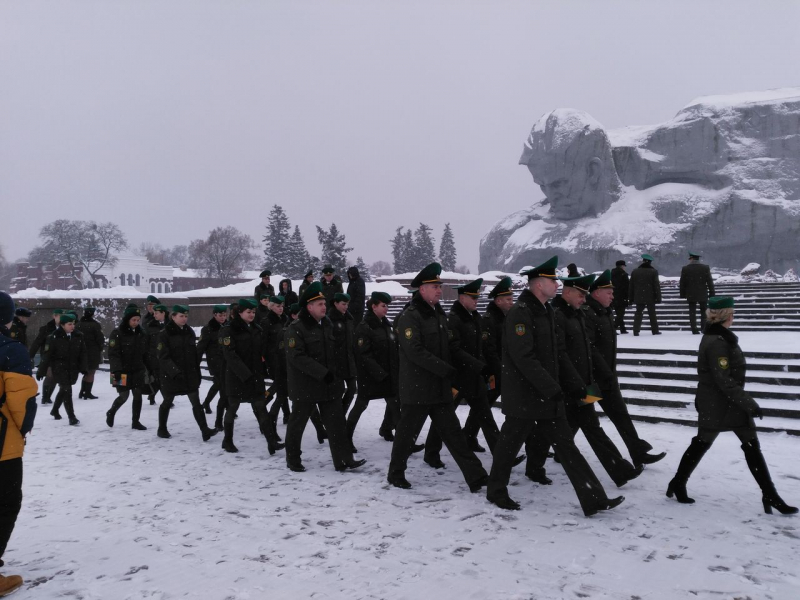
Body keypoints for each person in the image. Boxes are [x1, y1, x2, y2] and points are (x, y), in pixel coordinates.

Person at [485, 256, 623, 516]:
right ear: (539, 284)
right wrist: (552, 387)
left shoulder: (546, 310)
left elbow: (559, 353)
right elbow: (524, 358)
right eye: (553, 281)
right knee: (508, 445)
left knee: (567, 446)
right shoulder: (521, 313)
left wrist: (577, 386)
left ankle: (594, 498)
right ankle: (496, 490)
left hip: (548, 395)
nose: (557, 284)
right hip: (525, 395)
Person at [667, 296, 797, 514]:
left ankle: (770, 495)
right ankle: (678, 482)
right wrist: (749, 403)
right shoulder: (717, 342)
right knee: (702, 443)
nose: (734, 317)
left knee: (751, 445)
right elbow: (723, 379)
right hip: (717, 404)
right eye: (732, 313)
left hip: (729, 403)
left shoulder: (719, 337)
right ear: (726, 315)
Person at [534, 273, 643, 488]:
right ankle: (534, 465)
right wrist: (576, 382)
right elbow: (561, 354)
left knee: (590, 425)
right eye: (581, 295)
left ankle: (620, 470)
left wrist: (600, 375)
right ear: (567, 292)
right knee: (555, 429)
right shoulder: (558, 315)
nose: (584, 299)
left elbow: (588, 350)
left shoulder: (577, 314)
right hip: (569, 385)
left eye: (585, 295)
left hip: (586, 383)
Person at [387, 262, 488, 492]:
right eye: (435, 286)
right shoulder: (411, 317)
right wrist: (445, 369)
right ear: (422, 289)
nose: (439, 290)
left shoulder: (438, 314)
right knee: (406, 435)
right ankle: (395, 473)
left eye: (440, 286)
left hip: (439, 389)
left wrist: (470, 366)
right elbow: (415, 351)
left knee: (454, 435)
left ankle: (476, 476)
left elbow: (449, 347)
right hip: (417, 388)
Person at [424, 278, 510, 468]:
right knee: (444, 418)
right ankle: (431, 453)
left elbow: (480, 348)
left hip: (474, 378)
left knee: (486, 418)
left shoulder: (474, 317)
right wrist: (479, 365)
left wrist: (484, 368)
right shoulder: (454, 319)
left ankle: (502, 456)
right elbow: (454, 349)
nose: (476, 301)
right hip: (457, 378)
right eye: (473, 298)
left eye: (477, 298)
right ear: (462, 298)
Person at [584, 270, 666, 467]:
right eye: (609, 293)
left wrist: (609, 374)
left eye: (613, 293)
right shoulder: (588, 314)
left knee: (621, 416)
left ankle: (638, 452)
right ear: (596, 293)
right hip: (592, 382)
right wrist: (604, 372)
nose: (612, 296)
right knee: (580, 418)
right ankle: (553, 450)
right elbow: (589, 349)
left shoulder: (605, 312)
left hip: (607, 378)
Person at [284, 282, 366, 472]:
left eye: (324, 303)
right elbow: (297, 357)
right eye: (320, 304)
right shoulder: (296, 328)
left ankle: (344, 460)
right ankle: (293, 459)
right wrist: (323, 373)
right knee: (297, 424)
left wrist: (339, 375)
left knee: (336, 424)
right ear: (309, 307)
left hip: (329, 385)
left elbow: (335, 353)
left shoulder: (327, 325)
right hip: (305, 386)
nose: (324, 307)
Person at [0, 292, 38, 596]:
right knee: (6, 503)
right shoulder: (10, 350)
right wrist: (24, 430)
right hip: (2, 445)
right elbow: (21, 404)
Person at [218, 299, 285, 455]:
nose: (252, 315)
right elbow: (230, 355)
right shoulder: (229, 330)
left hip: (255, 376)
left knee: (261, 408)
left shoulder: (256, 329)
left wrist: (267, 368)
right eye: (248, 312)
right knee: (232, 407)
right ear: (239, 313)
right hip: (236, 377)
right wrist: (245, 374)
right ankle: (227, 440)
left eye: (253, 312)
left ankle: (271, 442)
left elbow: (262, 352)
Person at [462, 276, 514, 447]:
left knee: (484, 407)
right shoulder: (489, 320)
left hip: (502, 371)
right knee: (485, 407)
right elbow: (489, 350)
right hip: (494, 372)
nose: (511, 302)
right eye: (508, 299)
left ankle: (468, 436)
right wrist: (500, 371)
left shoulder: (504, 318)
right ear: (498, 301)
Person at [348, 291, 402, 450]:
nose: (386, 309)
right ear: (374, 307)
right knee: (360, 406)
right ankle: (345, 438)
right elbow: (363, 355)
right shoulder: (364, 327)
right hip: (370, 378)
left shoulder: (386, 325)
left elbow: (393, 350)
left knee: (395, 407)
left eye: (387, 306)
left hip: (387, 376)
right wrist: (380, 374)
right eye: (383, 306)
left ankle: (404, 442)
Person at [155, 305, 218, 442]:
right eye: (181, 316)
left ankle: (204, 430)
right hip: (171, 375)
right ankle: (162, 428)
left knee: (196, 402)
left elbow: (193, 353)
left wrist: (195, 370)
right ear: (173, 317)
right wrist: (174, 372)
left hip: (189, 374)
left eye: (186, 316)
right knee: (167, 401)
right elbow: (163, 357)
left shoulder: (188, 331)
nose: (184, 319)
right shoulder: (164, 334)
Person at [38, 312, 87, 426]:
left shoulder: (78, 336)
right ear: (62, 325)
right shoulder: (53, 337)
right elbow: (47, 355)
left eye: (73, 324)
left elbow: (83, 353)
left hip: (72, 368)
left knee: (64, 390)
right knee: (67, 390)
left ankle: (55, 410)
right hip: (59, 368)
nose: (72, 326)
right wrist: (41, 371)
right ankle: (72, 417)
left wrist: (84, 367)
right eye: (69, 324)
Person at [105, 306, 148, 430]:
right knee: (124, 396)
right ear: (127, 319)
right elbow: (113, 354)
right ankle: (111, 412)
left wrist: (149, 367)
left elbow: (145, 353)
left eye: (138, 320)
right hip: (120, 371)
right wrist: (116, 370)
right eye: (133, 320)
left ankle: (136, 421)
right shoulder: (117, 333)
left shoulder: (141, 333)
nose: (136, 323)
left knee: (138, 395)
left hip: (137, 370)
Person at [263, 296, 291, 428]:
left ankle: (286, 414)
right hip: (273, 360)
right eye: (278, 306)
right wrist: (266, 361)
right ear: (271, 307)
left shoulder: (285, 319)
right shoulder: (267, 321)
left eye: (282, 306)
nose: (281, 308)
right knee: (280, 386)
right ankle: (264, 404)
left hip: (285, 358)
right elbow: (263, 343)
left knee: (281, 388)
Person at [328, 293, 358, 416]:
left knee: (352, 389)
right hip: (337, 362)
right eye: (343, 304)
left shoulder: (349, 319)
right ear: (336, 304)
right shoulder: (330, 320)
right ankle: (337, 417)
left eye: (347, 304)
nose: (346, 307)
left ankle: (341, 414)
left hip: (349, 361)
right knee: (338, 391)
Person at [197, 305, 227, 415]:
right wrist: (196, 362)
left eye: (224, 315)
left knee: (220, 384)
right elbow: (201, 347)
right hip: (215, 361)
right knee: (221, 383)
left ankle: (207, 403)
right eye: (220, 315)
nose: (223, 317)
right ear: (215, 315)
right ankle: (226, 406)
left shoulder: (228, 326)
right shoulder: (208, 329)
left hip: (226, 360)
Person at [29, 308, 62, 405]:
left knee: (55, 377)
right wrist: (30, 355)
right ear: (54, 316)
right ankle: (45, 397)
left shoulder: (64, 328)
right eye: (59, 317)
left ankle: (48, 396)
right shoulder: (46, 328)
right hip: (48, 356)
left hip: (59, 356)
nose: (60, 319)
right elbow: (37, 342)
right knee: (49, 375)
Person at [680, 251, 716, 334]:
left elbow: (682, 282)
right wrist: (712, 292)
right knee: (704, 312)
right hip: (702, 293)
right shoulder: (705, 268)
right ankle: (703, 328)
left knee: (692, 312)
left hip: (691, 293)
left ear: (692, 259)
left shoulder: (685, 268)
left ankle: (694, 329)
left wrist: (682, 294)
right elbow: (709, 281)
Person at [629, 253, 662, 336]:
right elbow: (656, 286)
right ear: (650, 262)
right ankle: (655, 330)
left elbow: (631, 285)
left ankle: (636, 330)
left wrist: (631, 297)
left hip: (638, 296)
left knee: (638, 313)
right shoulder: (653, 271)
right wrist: (658, 297)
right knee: (652, 314)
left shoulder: (635, 271)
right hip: (651, 296)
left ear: (643, 261)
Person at [76, 306, 104, 399]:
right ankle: (87, 392)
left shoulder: (78, 324)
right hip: (92, 352)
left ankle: (82, 391)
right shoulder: (95, 325)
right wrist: (100, 348)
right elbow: (100, 339)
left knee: (86, 372)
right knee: (91, 372)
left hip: (81, 351)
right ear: (92, 314)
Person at [144, 303, 167, 406]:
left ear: (163, 313)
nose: (154, 315)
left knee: (161, 379)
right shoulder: (150, 326)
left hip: (166, 357)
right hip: (154, 358)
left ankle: (152, 394)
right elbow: (146, 344)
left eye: (156, 313)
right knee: (160, 379)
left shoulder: (170, 325)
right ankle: (167, 399)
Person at [611, 260, 629, 334]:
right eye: (624, 266)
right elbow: (627, 286)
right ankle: (613, 328)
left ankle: (622, 328)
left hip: (613, 296)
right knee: (621, 314)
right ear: (622, 266)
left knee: (619, 313)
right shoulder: (623, 274)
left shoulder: (612, 274)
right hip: (622, 296)